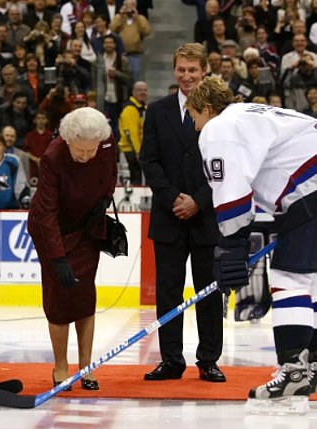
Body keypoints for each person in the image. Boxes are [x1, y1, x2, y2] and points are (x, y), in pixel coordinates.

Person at [185, 75, 317, 413]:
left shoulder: (220, 127)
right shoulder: (252, 113)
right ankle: (310, 363)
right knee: (310, 283)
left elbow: (232, 193)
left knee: (289, 280)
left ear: (207, 109)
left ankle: (294, 370)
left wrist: (230, 246)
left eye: (195, 117)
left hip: (311, 193)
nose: (197, 127)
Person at [139, 43, 225, 383]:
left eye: (193, 69)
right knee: (169, 292)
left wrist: (199, 201)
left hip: (205, 217)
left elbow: (224, 166)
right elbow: (149, 161)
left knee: (209, 292)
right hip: (168, 216)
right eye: (181, 69)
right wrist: (174, 197)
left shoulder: (219, 112)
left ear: (204, 70)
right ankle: (171, 359)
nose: (187, 76)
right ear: (175, 71)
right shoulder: (157, 111)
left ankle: (209, 360)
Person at [27, 107, 117, 392]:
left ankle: (86, 367)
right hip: (53, 230)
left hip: (86, 228)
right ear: (67, 140)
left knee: (84, 294)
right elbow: (46, 214)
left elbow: (109, 171)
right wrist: (57, 259)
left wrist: (104, 200)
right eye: (80, 151)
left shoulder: (104, 142)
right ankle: (61, 367)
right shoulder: (53, 157)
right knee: (59, 297)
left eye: (91, 150)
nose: (86, 156)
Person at [118, 80, 148, 186]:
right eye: (139, 90)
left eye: (145, 90)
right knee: (134, 182)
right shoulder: (130, 109)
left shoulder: (142, 108)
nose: (143, 92)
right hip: (130, 152)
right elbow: (131, 134)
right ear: (133, 92)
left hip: (137, 150)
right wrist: (139, 152)